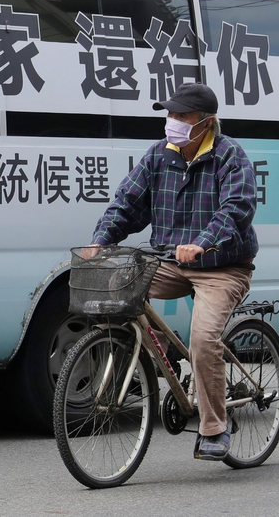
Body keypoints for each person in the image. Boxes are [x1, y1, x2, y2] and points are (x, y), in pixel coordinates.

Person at [84, 82, 258, 461]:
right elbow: (127, 202)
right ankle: (159, 351)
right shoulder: (159, 155)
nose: (172, 121)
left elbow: (237, 208)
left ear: (206, 122)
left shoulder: (230, 156)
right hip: (171, 262)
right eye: (170, 114)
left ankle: (215, 428)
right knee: (117, 287)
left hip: (221, 266)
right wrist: (101, 240)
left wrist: (204, 242)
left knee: (204, 340)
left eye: (182, 115)